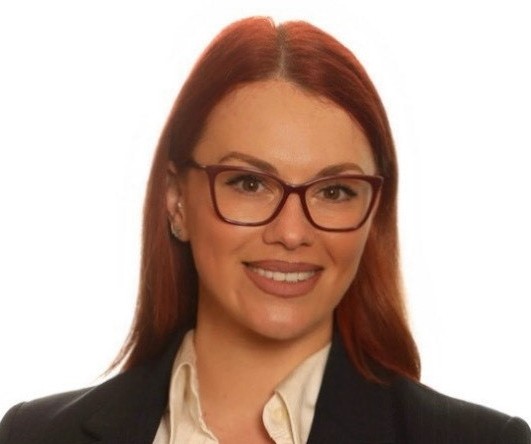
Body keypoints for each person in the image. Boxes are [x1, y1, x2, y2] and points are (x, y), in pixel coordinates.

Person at [0, 16, 529, 444]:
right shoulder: (33, 437)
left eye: (334, 191)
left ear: (374, 213)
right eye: (250, 183)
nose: (292, 232)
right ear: (176, 201)